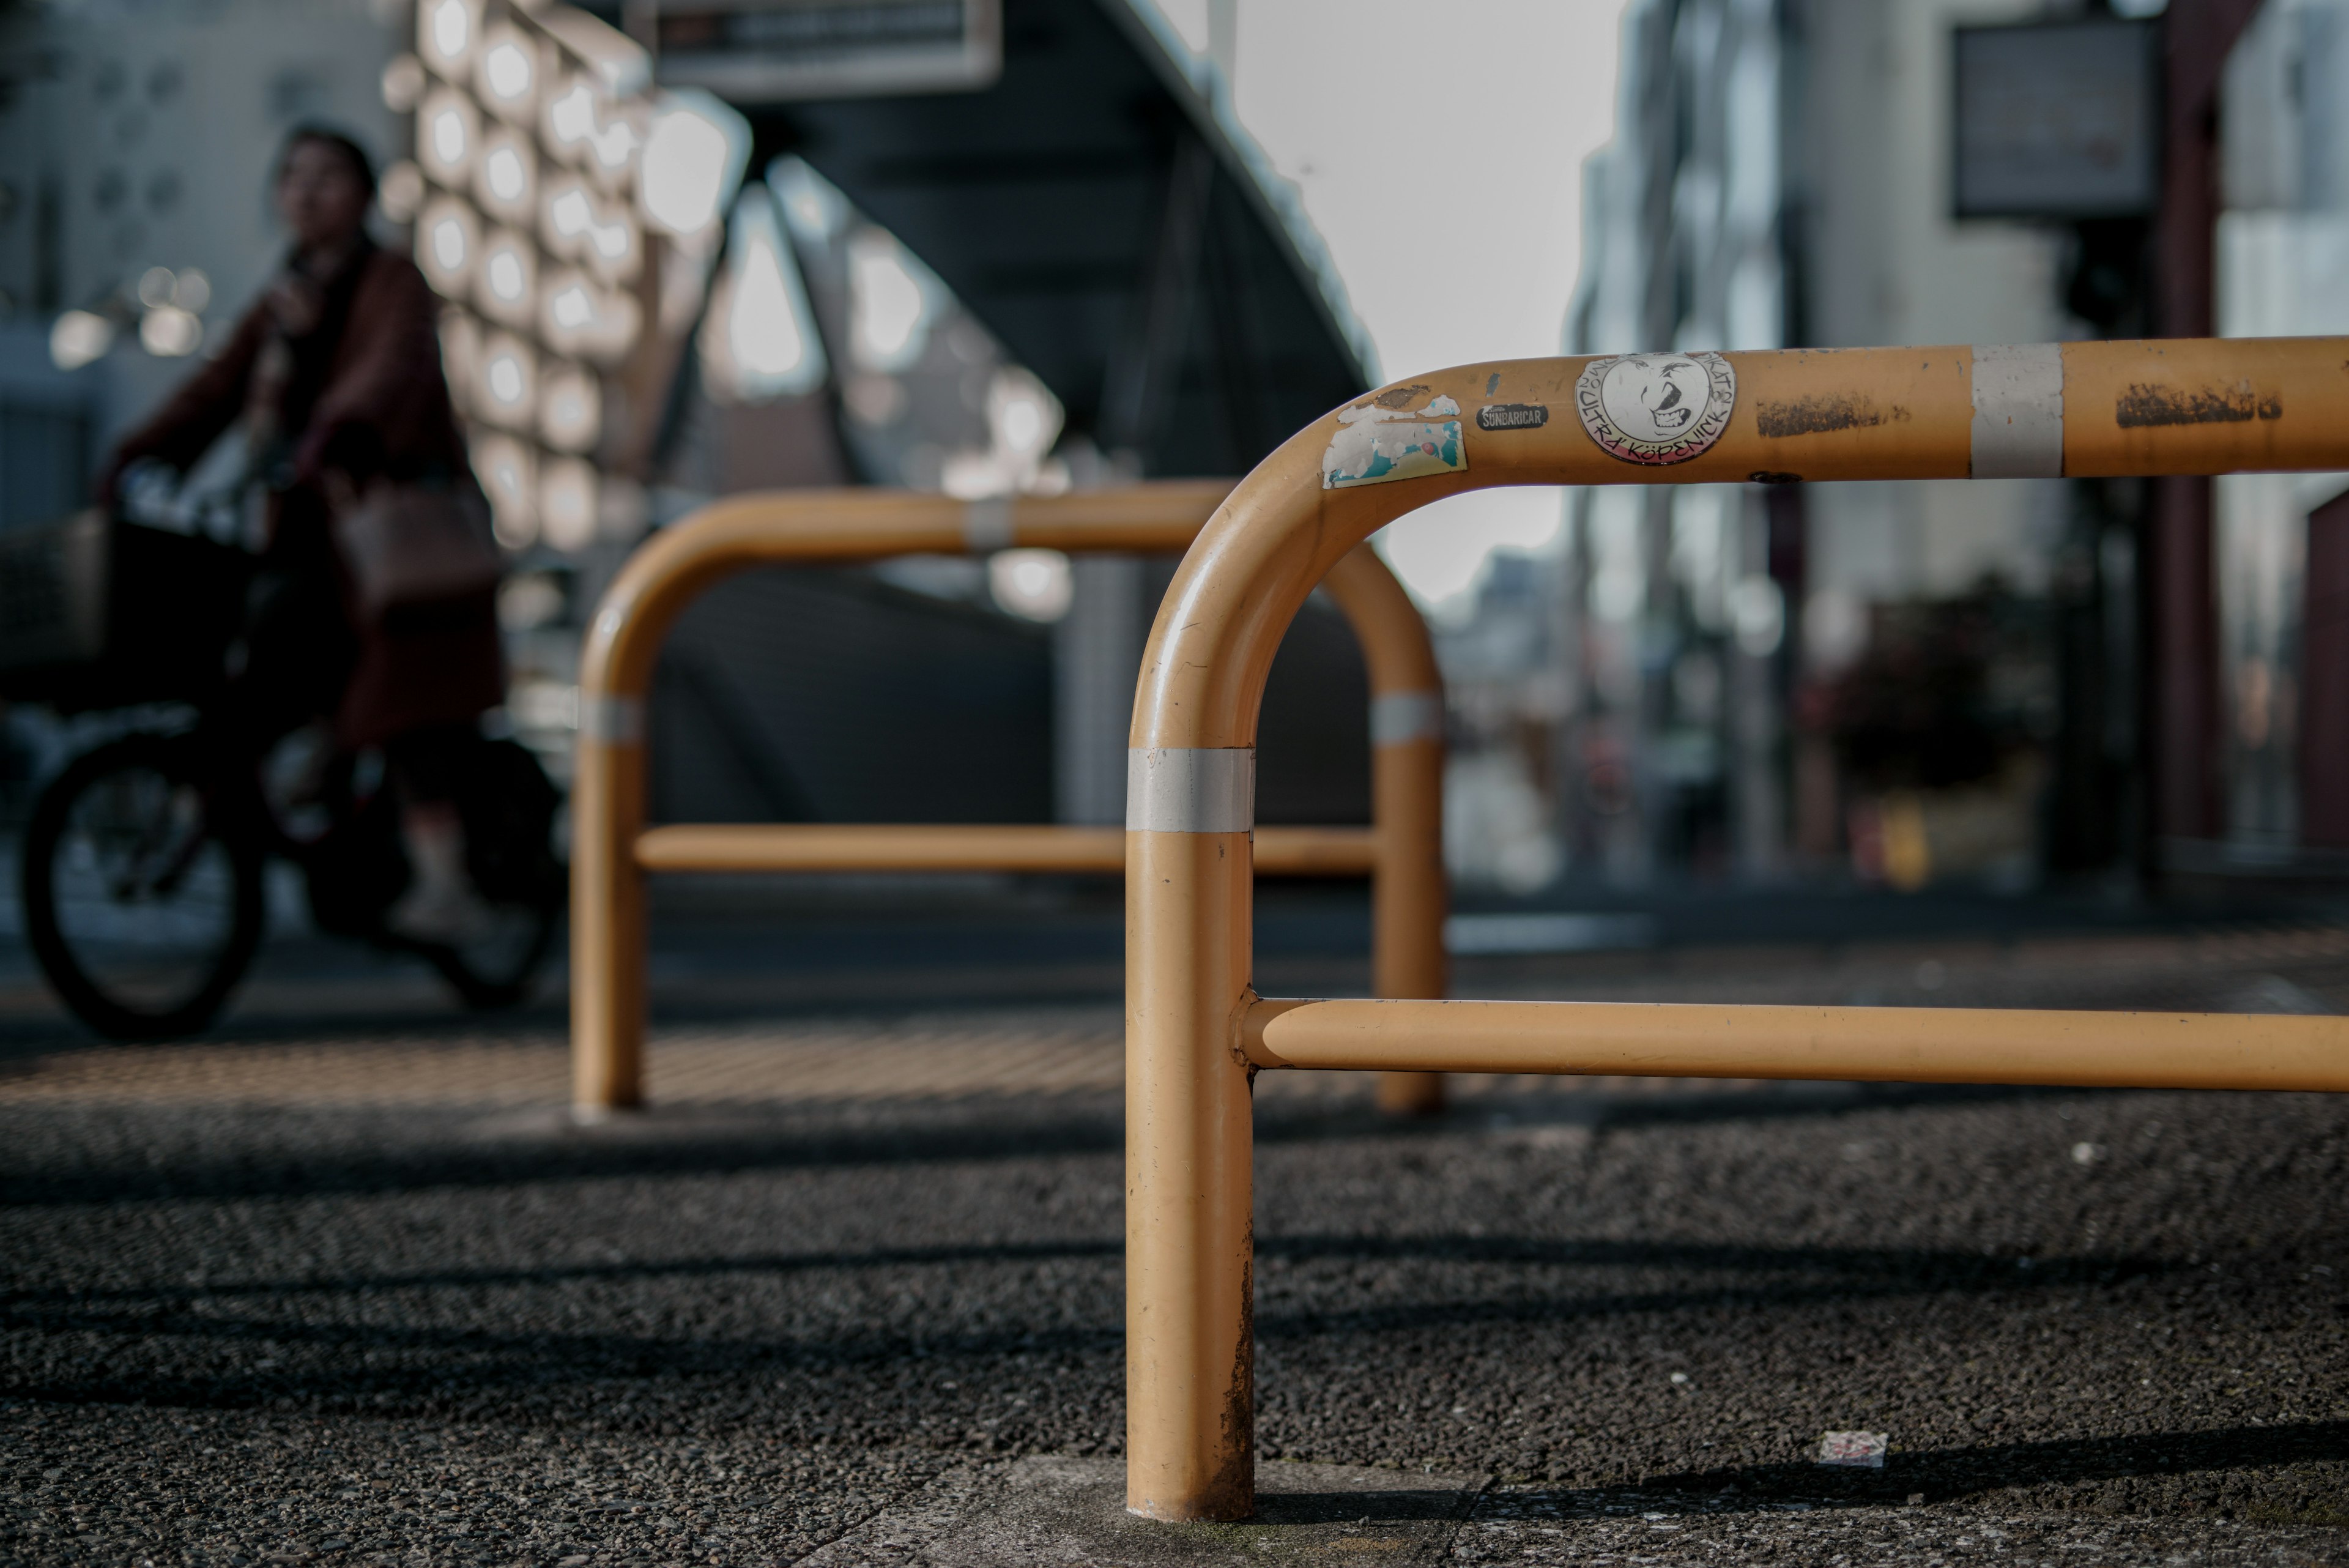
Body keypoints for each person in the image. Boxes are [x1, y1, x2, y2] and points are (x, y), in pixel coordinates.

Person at [98, 125, 505, 942]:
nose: (306, 192)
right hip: (311, 537)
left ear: (363, 194)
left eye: (327, 176)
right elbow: (216, 387)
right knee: (261, 669)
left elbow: (394, 366)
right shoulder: (284, 299)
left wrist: (342, 426)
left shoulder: (391, 280)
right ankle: (311, 795)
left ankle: (447, 883)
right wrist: (141, 452)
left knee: (405, 703)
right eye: (292, 177)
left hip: (392, 533)